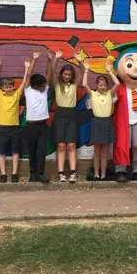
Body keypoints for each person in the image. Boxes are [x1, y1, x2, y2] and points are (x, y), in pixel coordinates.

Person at [110, 41, 137, 182]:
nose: (135, 69)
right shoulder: (120, 88)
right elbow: (110, 102)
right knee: (122, 145)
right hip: (123, 123)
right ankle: (120, 170)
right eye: (129, 64)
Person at [0, 56, 30, 183]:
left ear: (13, 87)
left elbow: (24, 83)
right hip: (2, 128)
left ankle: (14, 174)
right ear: (3, 88)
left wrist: (26, 68)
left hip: (14, 128)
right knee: (2, 152)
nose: (8, 89)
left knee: (15, 152)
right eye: (6, 87)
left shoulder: (17, 95)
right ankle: (3, 174)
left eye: (10, 86)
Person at [51, 49, 85, 183]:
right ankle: (60, 173)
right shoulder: (57, 85)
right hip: (60, 115)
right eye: (65, 74)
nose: (66, 76)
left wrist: (80, 60)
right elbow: (53, 72)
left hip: (71, 115)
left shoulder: (74, 85)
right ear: (62, 74)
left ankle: (72, 173)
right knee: (61, 145)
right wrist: (57, 58)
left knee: (71, 145)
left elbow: (82, 72)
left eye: (69, 74)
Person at [83, 61, 120, 180]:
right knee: (97, 153)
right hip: (97, 123)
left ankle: (103, 175)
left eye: (104, 85)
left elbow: (118, 83)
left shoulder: (109, 94)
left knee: (105, 154)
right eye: (100, 85)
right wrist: (86, 70)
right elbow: (84, 84)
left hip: (107, 123)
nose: (102, 87)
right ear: (97, 85)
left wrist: (109, 71)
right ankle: (96, 174)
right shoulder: (93, 94)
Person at [24, 49, 52, 183]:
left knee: (41, 150)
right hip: (31, 126)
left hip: (43, 125)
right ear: (35, 85)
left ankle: (40, 173)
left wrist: (49, 61)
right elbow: (28, 75)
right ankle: (33, 174)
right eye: (41, 85)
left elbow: (48, 74)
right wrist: (34, 60)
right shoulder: (28, 90)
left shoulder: (44, 91)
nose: (44, 86)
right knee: (32, 150)